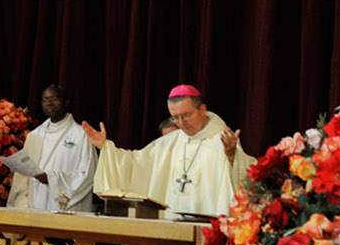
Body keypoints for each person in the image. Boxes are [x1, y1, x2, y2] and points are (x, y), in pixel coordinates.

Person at [82, 84, 250, 220]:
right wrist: (106, 147)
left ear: (203, 109)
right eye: (175, 117)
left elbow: (247, 176)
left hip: (204, 228)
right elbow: (135, 163)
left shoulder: (223, 140)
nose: (181, 123)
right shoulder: (170, 142)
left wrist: (232, 157)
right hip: (170, 225)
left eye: (185, 115)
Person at [5, 84, 96, 213]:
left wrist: (52, 179)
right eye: (45, 99)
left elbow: (88, 175)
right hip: (35, 207)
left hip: (67, 210)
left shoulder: (81, 135)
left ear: (66, 102)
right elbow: (23, 181)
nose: (49, 103)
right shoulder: (34, 136)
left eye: (54, 99)